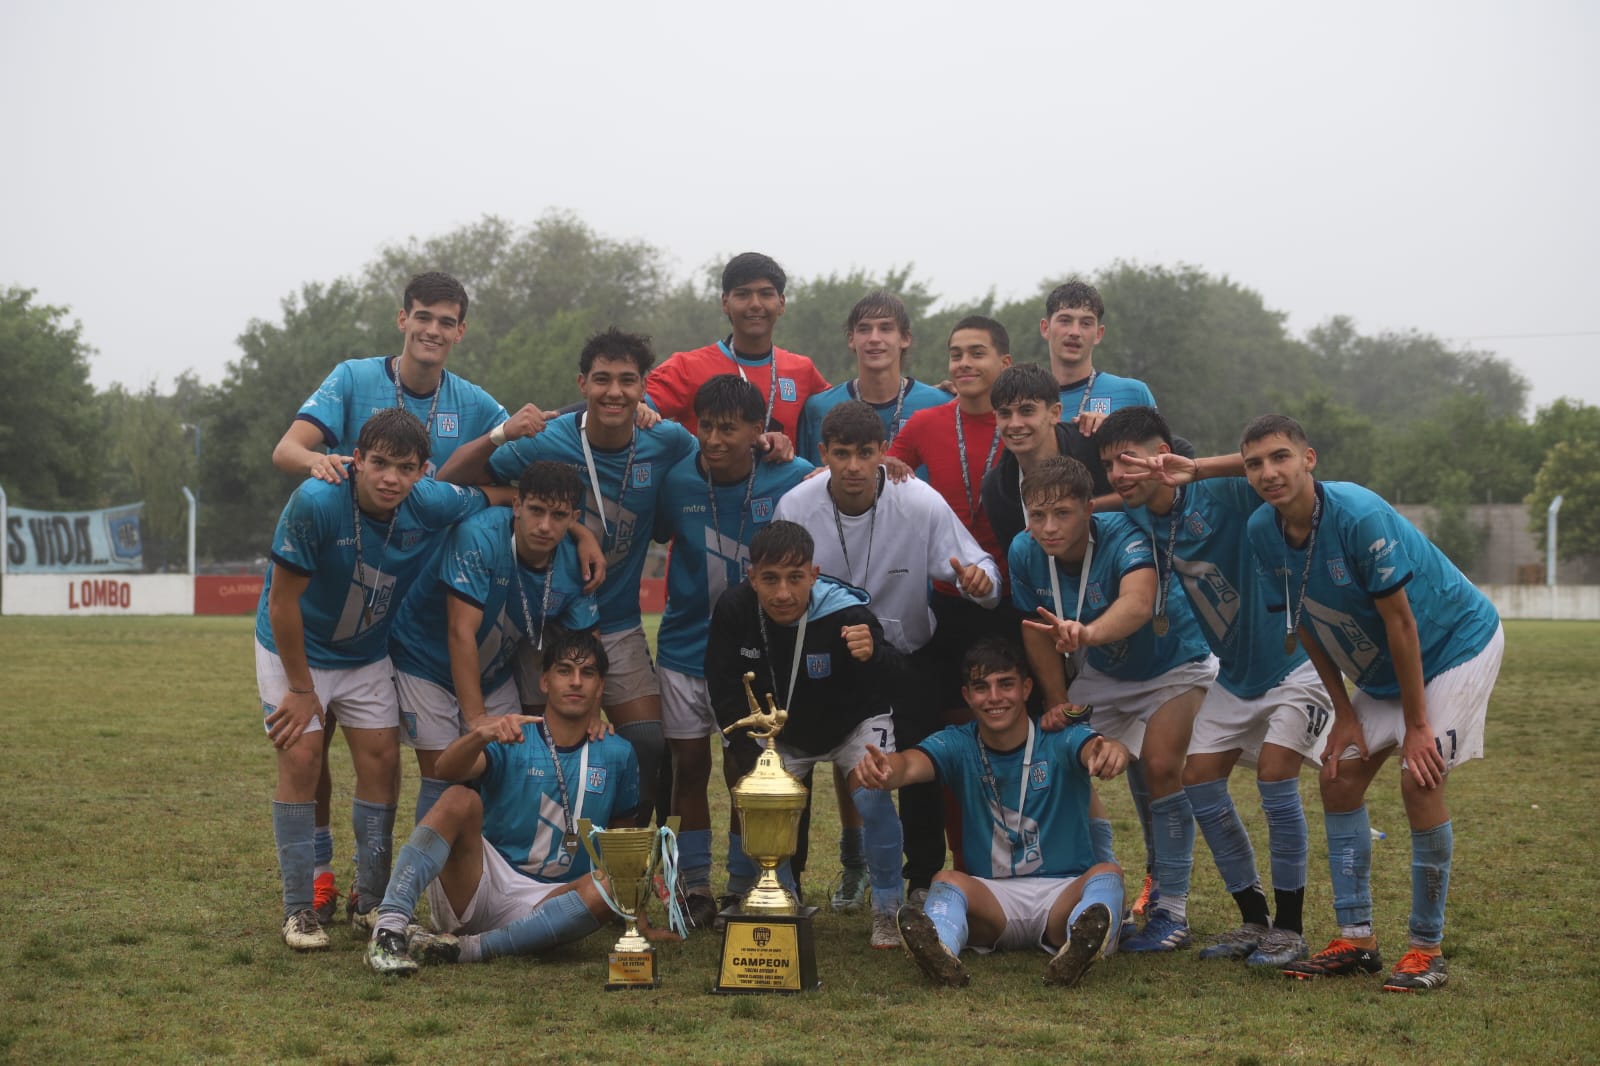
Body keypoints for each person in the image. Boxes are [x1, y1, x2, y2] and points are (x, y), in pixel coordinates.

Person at [267, 271, 588, 923]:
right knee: (309, 747)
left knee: (380, 758)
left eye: (446, 322)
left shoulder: (470, 403)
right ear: (402, 319)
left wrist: (572, 520)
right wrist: (320, 467)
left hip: (394, 618)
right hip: (329, 596)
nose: (433, 330)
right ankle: (317, 881)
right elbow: (287, 448)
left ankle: (387, 892)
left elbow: (516, 479)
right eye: (423, 317)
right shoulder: (354, 381)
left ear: (461, 332)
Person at [1242, 414, 1503, 992]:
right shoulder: (1264, 531)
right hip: (1387, 667)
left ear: (1309, 460)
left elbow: (1401, 622)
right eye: (1255, 463)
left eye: (1280, 456)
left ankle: (1426, 949)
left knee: (1420, 775)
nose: (1269, 472)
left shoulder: (1357, 513)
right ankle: (1357, 938)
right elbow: (1305, 622)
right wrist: (1346, 715)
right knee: (1338, 777)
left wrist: (1417, 727)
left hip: (1455, 643)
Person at [1098, 406, 1333, 967]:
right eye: (1111, 465)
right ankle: (1253, 920)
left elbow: (1275, 467)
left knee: (1276, 774)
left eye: (1133, 461)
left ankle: (1291, 928)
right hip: (1234, 672)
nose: (1121, 474)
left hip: (1295, 660)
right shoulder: (1136, 519)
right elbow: (1099, 505)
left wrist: (1195, 467)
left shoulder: (1226, 493)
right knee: (1199, 780)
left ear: (1164, 455)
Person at [257, 409, 498, 949]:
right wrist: (300, 690)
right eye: (381, 463)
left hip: (365, 653)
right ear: (357, 460)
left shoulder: (429, 499)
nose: (391, 478)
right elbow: (281, 603)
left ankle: (370, 902)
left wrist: (575, 528)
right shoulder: (316, 500)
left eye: (406, 467)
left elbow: (493, 496)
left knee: (383, 763)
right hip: (295, 646)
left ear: (422, 472)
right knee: (300, 757)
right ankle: (299, 910)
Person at [440, 327, 697, 825]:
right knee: (549, 746)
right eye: (602, 379)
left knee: (648, 742)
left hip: (616, 617)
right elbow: (453, 481)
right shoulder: (550, 436)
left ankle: (627, 868)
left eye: (627, 381)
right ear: (582, 383)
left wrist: (773, 446)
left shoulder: (665, 440)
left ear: (645, 387)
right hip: (544, 617)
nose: (614, 392)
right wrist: (578, 528)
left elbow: (716, 460)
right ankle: (542, 860)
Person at [776, 400, 999, 911]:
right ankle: (785, 887)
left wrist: (979, 581)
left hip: (906, 657)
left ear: (882, 453)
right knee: (794, 765)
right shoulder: (797, 505)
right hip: (824, 663)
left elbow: (981, 569)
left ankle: (920, 880)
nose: (853, 467)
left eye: (865, 453)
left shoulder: (918, 502)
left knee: (917, 764)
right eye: (841, 454)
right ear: (823, 454)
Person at [1010, 456, 1217, 953]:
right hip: (1105, 674)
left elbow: (1139, 602)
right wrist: (1058, 701)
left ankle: (1172, 911)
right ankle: (1095, 895)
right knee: (1059, 758)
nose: (1048, 527)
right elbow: (1034, 631)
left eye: (1061, 513)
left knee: (1164, 766)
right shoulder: (1024, 549)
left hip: (1173, 664)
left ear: (1087, 508)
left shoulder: (1123, 531)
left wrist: (1088, 633)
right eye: (1037, 516)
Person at [364, 628, 656, 974]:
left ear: (601, 686)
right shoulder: (514, 736)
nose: (576, 682)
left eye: (587, 673)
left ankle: (467, 950)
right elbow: (445, 769)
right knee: (459, 798)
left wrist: (639, 923)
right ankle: (389, 928)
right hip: (482, 882)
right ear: (545, 681)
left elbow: (620, 846)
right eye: (564, 671)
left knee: (611, 881)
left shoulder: (618, 753)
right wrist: (480, 734)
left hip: (555, 900)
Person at [856, 639, 1129, 988]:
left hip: (1062, 893)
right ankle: (939, 948)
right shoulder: (958, 742)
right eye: (981, 688)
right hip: (993, 899)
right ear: (967, 696)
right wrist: (885, 770)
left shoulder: (1059, 738)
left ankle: (1081, 945)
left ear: (1026, 688)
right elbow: (909, 764)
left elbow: (1096, 746)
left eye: (1006, 684)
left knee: (1108, 873)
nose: (994, 697)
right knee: (946, 880)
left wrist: (1112, 752)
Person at [652, 375, 812, 928]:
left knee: (749, 767)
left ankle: (748, 883)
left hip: (753, 654)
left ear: (757, 432)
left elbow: (834, 488)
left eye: (729, 428)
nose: (714, 439)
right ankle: (694, 886)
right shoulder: (675, 482)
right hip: (682, 647)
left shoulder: (791, 476)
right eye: (707, 427)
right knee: (688, 765)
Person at [705, 521, 906, 948]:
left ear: (814, 575)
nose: (783, 593)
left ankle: (889, 911)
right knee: (762, 800)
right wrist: (749, 752)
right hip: (783, 732)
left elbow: (897, 676)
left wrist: (872, 656)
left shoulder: (847, 612)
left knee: (872, 795)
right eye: (770, 579)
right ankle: (780, 901)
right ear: (751, 574)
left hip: (853, 723)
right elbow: (721, 683)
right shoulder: (734, 609)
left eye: (795, 578)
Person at [388, 461, 600, 824]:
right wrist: (476, 719)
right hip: (425, 661)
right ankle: (433, 881)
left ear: (574, 517)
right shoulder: (478, 535)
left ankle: (492, 876)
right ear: (516, 505)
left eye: (558, 515)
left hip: (493, 671)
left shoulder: (574, 561)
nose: (545, 525)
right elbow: (460, 631)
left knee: (503, 773)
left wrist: (594, 715)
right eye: (535, 511)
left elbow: (588, 647)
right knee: (444, 775)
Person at [646, 252, 829, 439]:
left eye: (766, 294)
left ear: (781, 303)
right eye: (743, 294)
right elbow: (631, 409)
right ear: (725, 302)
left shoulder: (802, 370)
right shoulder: (685, 367)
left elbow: (843, 417)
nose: (756, 304)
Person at [794, 289, 948, 461]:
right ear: (851, 339)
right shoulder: (818, 408)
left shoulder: (940, 404)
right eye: (864, 329)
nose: (874, 338)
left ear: (905, 338)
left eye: (885, 328)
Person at [1038, 279, 1155, 438]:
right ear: (1045, 328)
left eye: (1086, 323)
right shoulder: (1028, 401)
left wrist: (1114, 429)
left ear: (1099, 334)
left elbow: (1159, 455)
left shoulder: (1133, 393)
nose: (1075, 332)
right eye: (1065, 321)